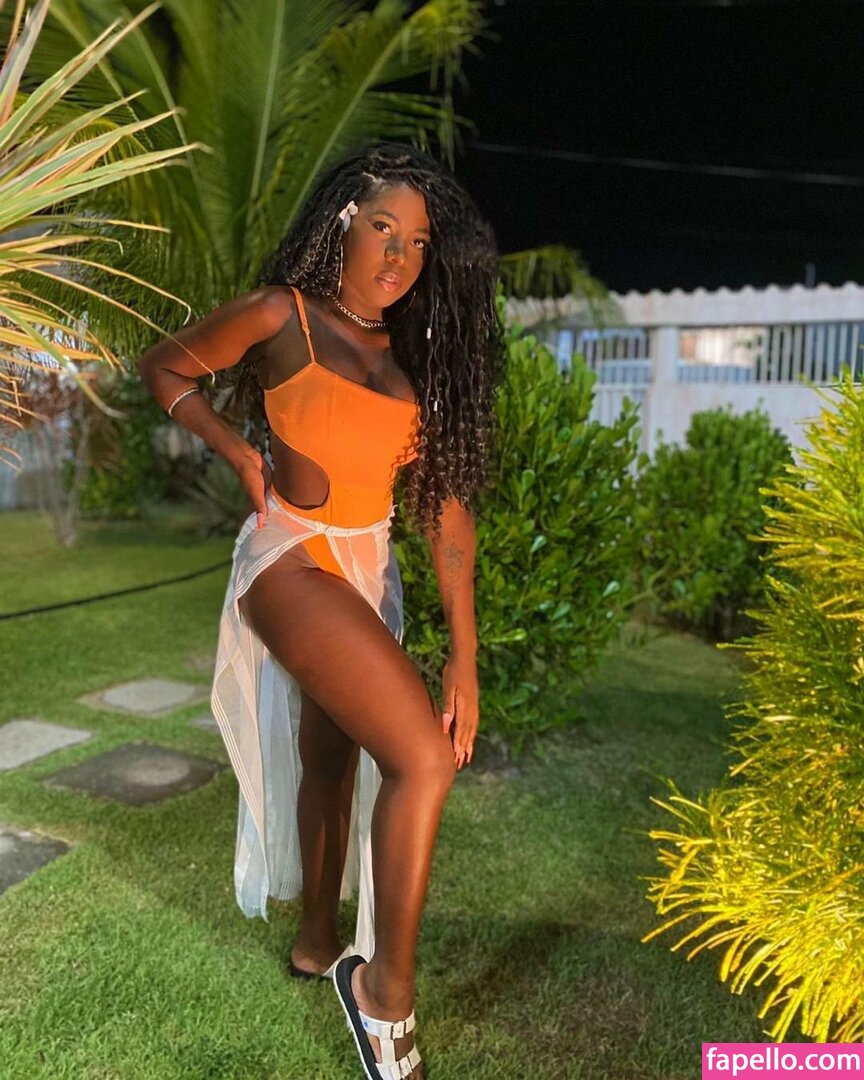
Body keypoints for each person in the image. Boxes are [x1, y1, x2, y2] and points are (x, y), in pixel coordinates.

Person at [137, 141, 505, 1079]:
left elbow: (445, 513)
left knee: (333, 762)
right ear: (344, 221)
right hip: (290, 557)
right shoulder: (281, 314)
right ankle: (382, 995)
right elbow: (165, 367)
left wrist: (464, 656)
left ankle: (314, 944)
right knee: (422, 757)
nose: (399, 256)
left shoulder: (412, 353)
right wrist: (233, 448)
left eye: (418, 242)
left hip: (367, 570)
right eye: (384, 227)